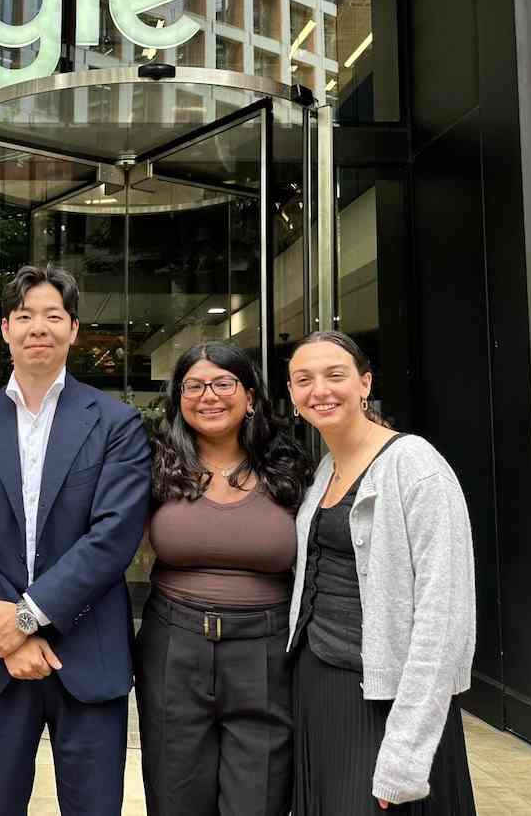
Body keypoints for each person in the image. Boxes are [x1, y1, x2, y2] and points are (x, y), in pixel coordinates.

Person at [0, 264, 151, 816]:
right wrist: (7, 629)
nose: (39, 327)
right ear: (4, 328)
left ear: (73, 329)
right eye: (25, 315)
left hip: (88, 654)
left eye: (53, 315)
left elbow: (113, 535)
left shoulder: (116, 423)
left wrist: (28, 616)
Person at [286, 331, 477, 814]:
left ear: (364, 383)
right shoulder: (325, 470)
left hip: (385, 698)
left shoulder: (415, 466)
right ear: (291, 395)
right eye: (303, 379)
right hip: (320, 688)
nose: (320, 390)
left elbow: (444, 616)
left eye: (336, 375)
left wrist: (407, 755)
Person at [137, 342, 311, 815]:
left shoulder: (289, 469)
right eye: (193, 386)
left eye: (223, 383)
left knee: (259, 799)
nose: (208, 396)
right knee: (176, 799)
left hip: (266, 654)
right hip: (174, 648)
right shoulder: (154, 467)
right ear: (178, 400)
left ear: (250, 396)